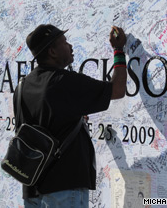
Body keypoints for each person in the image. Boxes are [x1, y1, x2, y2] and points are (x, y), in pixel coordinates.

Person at [13, 24, 127, 207]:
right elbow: (118, 90)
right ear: (52, 51)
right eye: (64, 42)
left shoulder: (22, 87)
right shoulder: (63, 81)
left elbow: (40, 125)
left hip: (32, 188)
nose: (70, 46)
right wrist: (119, 50)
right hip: (64, 189)